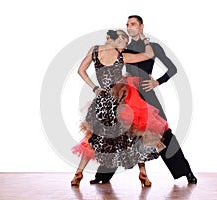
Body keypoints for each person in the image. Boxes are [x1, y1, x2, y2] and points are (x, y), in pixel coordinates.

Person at [90, 15, 197, 185]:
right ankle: (102, 176)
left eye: (133, 24)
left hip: (147, 94)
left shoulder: (153, 47)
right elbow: (108, 63)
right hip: (128, 93)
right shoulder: (123, 48)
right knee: (116, 132)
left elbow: (172, 68)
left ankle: (186, 172)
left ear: (141, 26)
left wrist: (156, 82)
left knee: (163, 132)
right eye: (127, 24)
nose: (129, 27)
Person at [71, 30, 169, 187]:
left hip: (102, 101)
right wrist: (144, 39)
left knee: (92, 137)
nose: (126, 46)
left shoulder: (94, 50)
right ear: (119, 40)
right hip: (121, 101)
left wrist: (95, 88)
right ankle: (143, 174)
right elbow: (149, 54)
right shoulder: (121, 55)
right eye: (125, 42)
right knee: (134, 134)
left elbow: (80, 71)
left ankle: (78, 173)